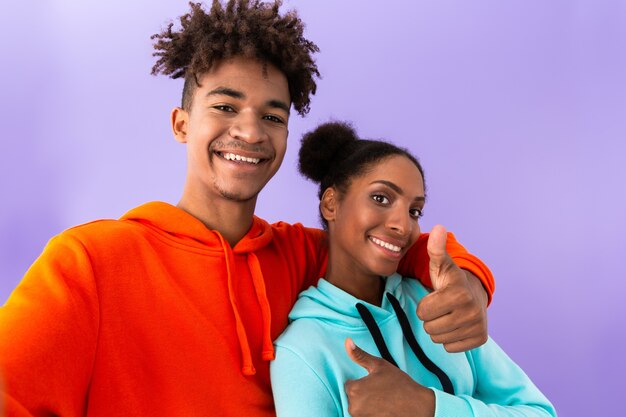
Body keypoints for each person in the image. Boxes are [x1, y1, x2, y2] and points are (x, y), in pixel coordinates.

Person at [0, 2, 495, 416]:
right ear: (180, 123)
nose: (251, 131)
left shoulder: (300, 255)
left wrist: (469, 282)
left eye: (272, 116)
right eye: (225, 106)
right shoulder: (90, 261)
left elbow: (391, 238)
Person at [270, 121, 556, 417]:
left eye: (414, 211)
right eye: (380, 198)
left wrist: (429, 407)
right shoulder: (302, 351)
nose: (403, 225)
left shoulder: (435, 306)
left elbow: (540, 412)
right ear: (331, 204)